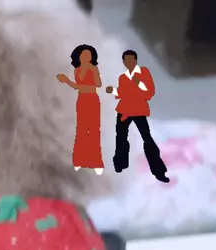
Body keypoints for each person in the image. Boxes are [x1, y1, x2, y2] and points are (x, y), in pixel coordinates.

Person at [106, 49, 169, 182]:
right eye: (126, 60)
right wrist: (113, 91)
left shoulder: (143, 73)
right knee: (120, 138)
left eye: (130, 60)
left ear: (135, 61)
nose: (128, 63)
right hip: (124, 109)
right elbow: (121, 93)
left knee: (147, 138)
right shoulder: (123, 77)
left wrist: (138, 83)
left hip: (138, 109)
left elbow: (149, 92)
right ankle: (119, 166)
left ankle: (158, 170)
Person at [57, 44, 103, 175]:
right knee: (81, 130)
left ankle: (96, 162)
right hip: (82, 99)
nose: (85, 58)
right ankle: (79, 160)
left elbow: (98, 84)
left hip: (92, 99)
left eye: (87, 56)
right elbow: (78, 86)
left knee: (93, 130)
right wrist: (67, 81)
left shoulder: (93, 69)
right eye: (83, 56)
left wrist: (73, 82)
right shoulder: (77, 71)